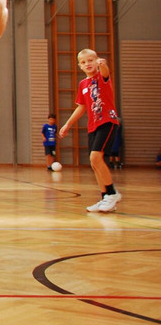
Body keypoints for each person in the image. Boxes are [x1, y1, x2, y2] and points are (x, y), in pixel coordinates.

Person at [58, 49, 122, 213]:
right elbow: (81, 107)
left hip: (107, 121)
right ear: (79, 66)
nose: (87, 63)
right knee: (94, 163)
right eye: (83, 62)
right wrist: (67, 124)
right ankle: (105, 197)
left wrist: (103, 65)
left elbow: (106, 73)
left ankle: (112, 193)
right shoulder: (83, 85)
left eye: (91, 60)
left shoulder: (101, 77)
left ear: (96, 60)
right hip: (93, 125)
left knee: (95, 157)